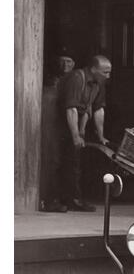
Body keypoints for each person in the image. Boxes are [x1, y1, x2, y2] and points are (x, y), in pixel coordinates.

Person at [58, 55, 111, 212]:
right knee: (59, 160)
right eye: (105, 72)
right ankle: (59, 199)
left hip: (78, 119)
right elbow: (71, 108)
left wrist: (100, 136)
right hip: (61, 121)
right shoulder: (77, 78)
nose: (108, 76)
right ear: (94, 69)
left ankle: (74, 199)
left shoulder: (98, 83)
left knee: (75, 161)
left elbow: (95, 109)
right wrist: (75, 135)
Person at [40, 50, 77, 212]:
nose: (65, 65)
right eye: (62, 61)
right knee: (51, 161)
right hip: (50, 127)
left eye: (69, 62)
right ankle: (48, 199)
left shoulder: (73, 81)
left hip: (61, 127)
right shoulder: (50, 83)